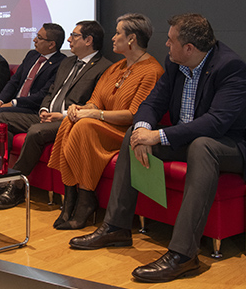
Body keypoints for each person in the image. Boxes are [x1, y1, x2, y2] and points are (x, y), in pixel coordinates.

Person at [68, 13, 246, 283]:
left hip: (234, 145)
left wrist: (158, 136)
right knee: (132, 136)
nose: (166, 44)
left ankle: (184, 256)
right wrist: (142, 130)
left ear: (189, 48)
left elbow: (215, 123)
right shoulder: (175, 63)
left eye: (171, 40)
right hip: (190, 138)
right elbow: (152, 103)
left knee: (202, 147)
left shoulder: (230, 67)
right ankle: (116, 227)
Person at [0, 20, 112, 208]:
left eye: (74, 36)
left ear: (88, 40)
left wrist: (62, 115)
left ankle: (17, 187)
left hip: (70, 121)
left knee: (36, 131)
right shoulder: (68, 62)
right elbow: (50, 92)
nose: (69, 40)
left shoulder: (104, 68)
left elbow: (94, 103)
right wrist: (44, 110)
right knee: (1, 118)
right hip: (46, 115)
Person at [48, 13, 164, 230]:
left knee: (85, 125)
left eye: (118, 33)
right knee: (70, 122)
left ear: (131, 39)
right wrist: (79, 109)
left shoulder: (152, 71)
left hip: (125, 132)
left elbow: (134, 115)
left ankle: (85, 199)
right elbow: (95, 102)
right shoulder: (115, 67)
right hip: (102, 126)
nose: (112, 37)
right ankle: (70, 198)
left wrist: (96, 115)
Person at [0, 22, 66, 181]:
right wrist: (0, 99)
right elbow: (14, 81)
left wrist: (14, 103)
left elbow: (43, 94)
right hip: (10, 104)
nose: (34, 40)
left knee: (1, 115)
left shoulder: (61, 63)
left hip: (31, 108)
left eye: (39, 38)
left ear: (51, 44)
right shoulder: (32, 55)